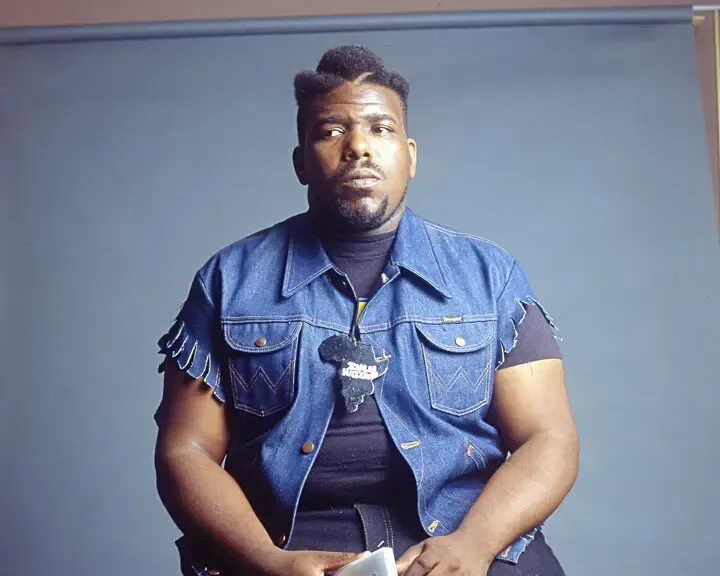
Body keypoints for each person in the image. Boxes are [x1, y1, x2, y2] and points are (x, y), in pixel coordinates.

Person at [154, 45, 579, 576]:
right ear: (300, 162)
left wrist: (476, 543)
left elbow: (549, 437)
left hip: (464, 534)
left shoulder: (489, 275)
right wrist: (263, 559)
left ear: (410, 155)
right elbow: (186, 449)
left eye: (381, 128)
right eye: (332, 130)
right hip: (286, 543)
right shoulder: (229, 280)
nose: (358, 146)